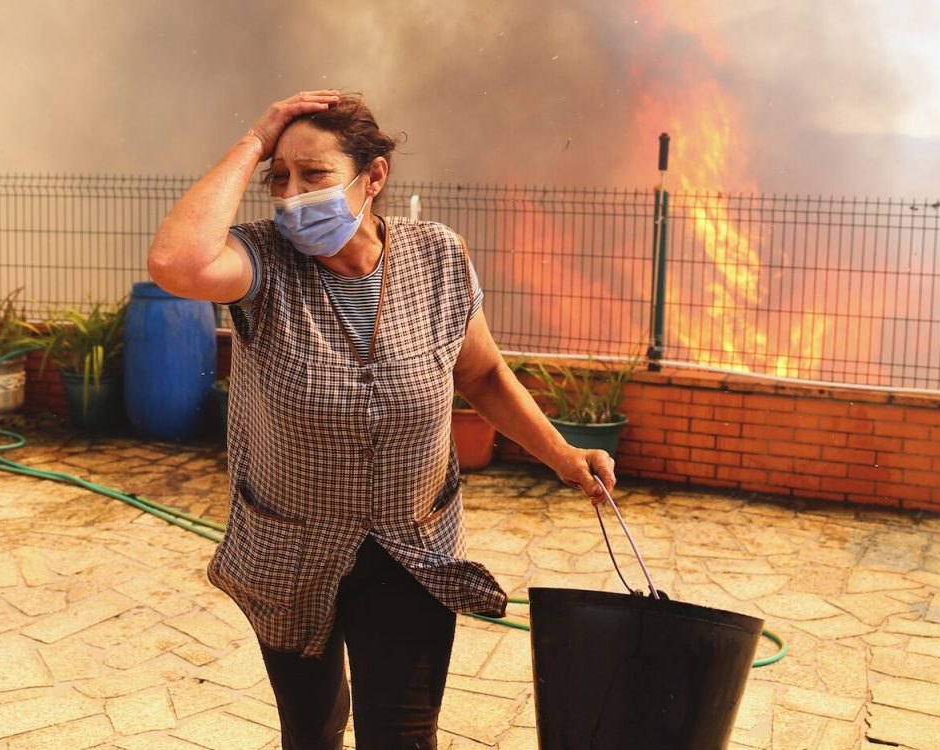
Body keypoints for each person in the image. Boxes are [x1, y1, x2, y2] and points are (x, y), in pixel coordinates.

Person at [147, 90, 616, 749]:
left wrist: (565, 457)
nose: (292, 196)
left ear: (373, 178)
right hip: (290, 548)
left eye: (315, 175)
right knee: (311, 731)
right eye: (278, 178)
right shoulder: (261, 262)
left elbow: (480, 374)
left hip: (411, 548)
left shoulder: (438, 258)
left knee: (401, 737)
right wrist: (256, 138)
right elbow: (177, 262)